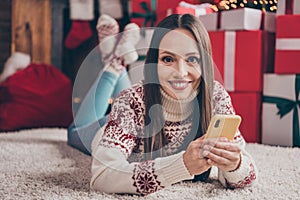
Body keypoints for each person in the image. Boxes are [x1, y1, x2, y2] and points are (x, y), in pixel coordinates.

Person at [75, 13, 257, 195]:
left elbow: (247, 172)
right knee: (76, 130)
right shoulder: (129, 101)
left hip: (130, 112)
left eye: (192, 59)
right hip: (100, 132)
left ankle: (115, 59)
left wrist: (234, 165)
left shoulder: (215, 95)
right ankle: (114, 63)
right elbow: (101, 176)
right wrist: (180, 165)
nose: (181, 72)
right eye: (168, 59)